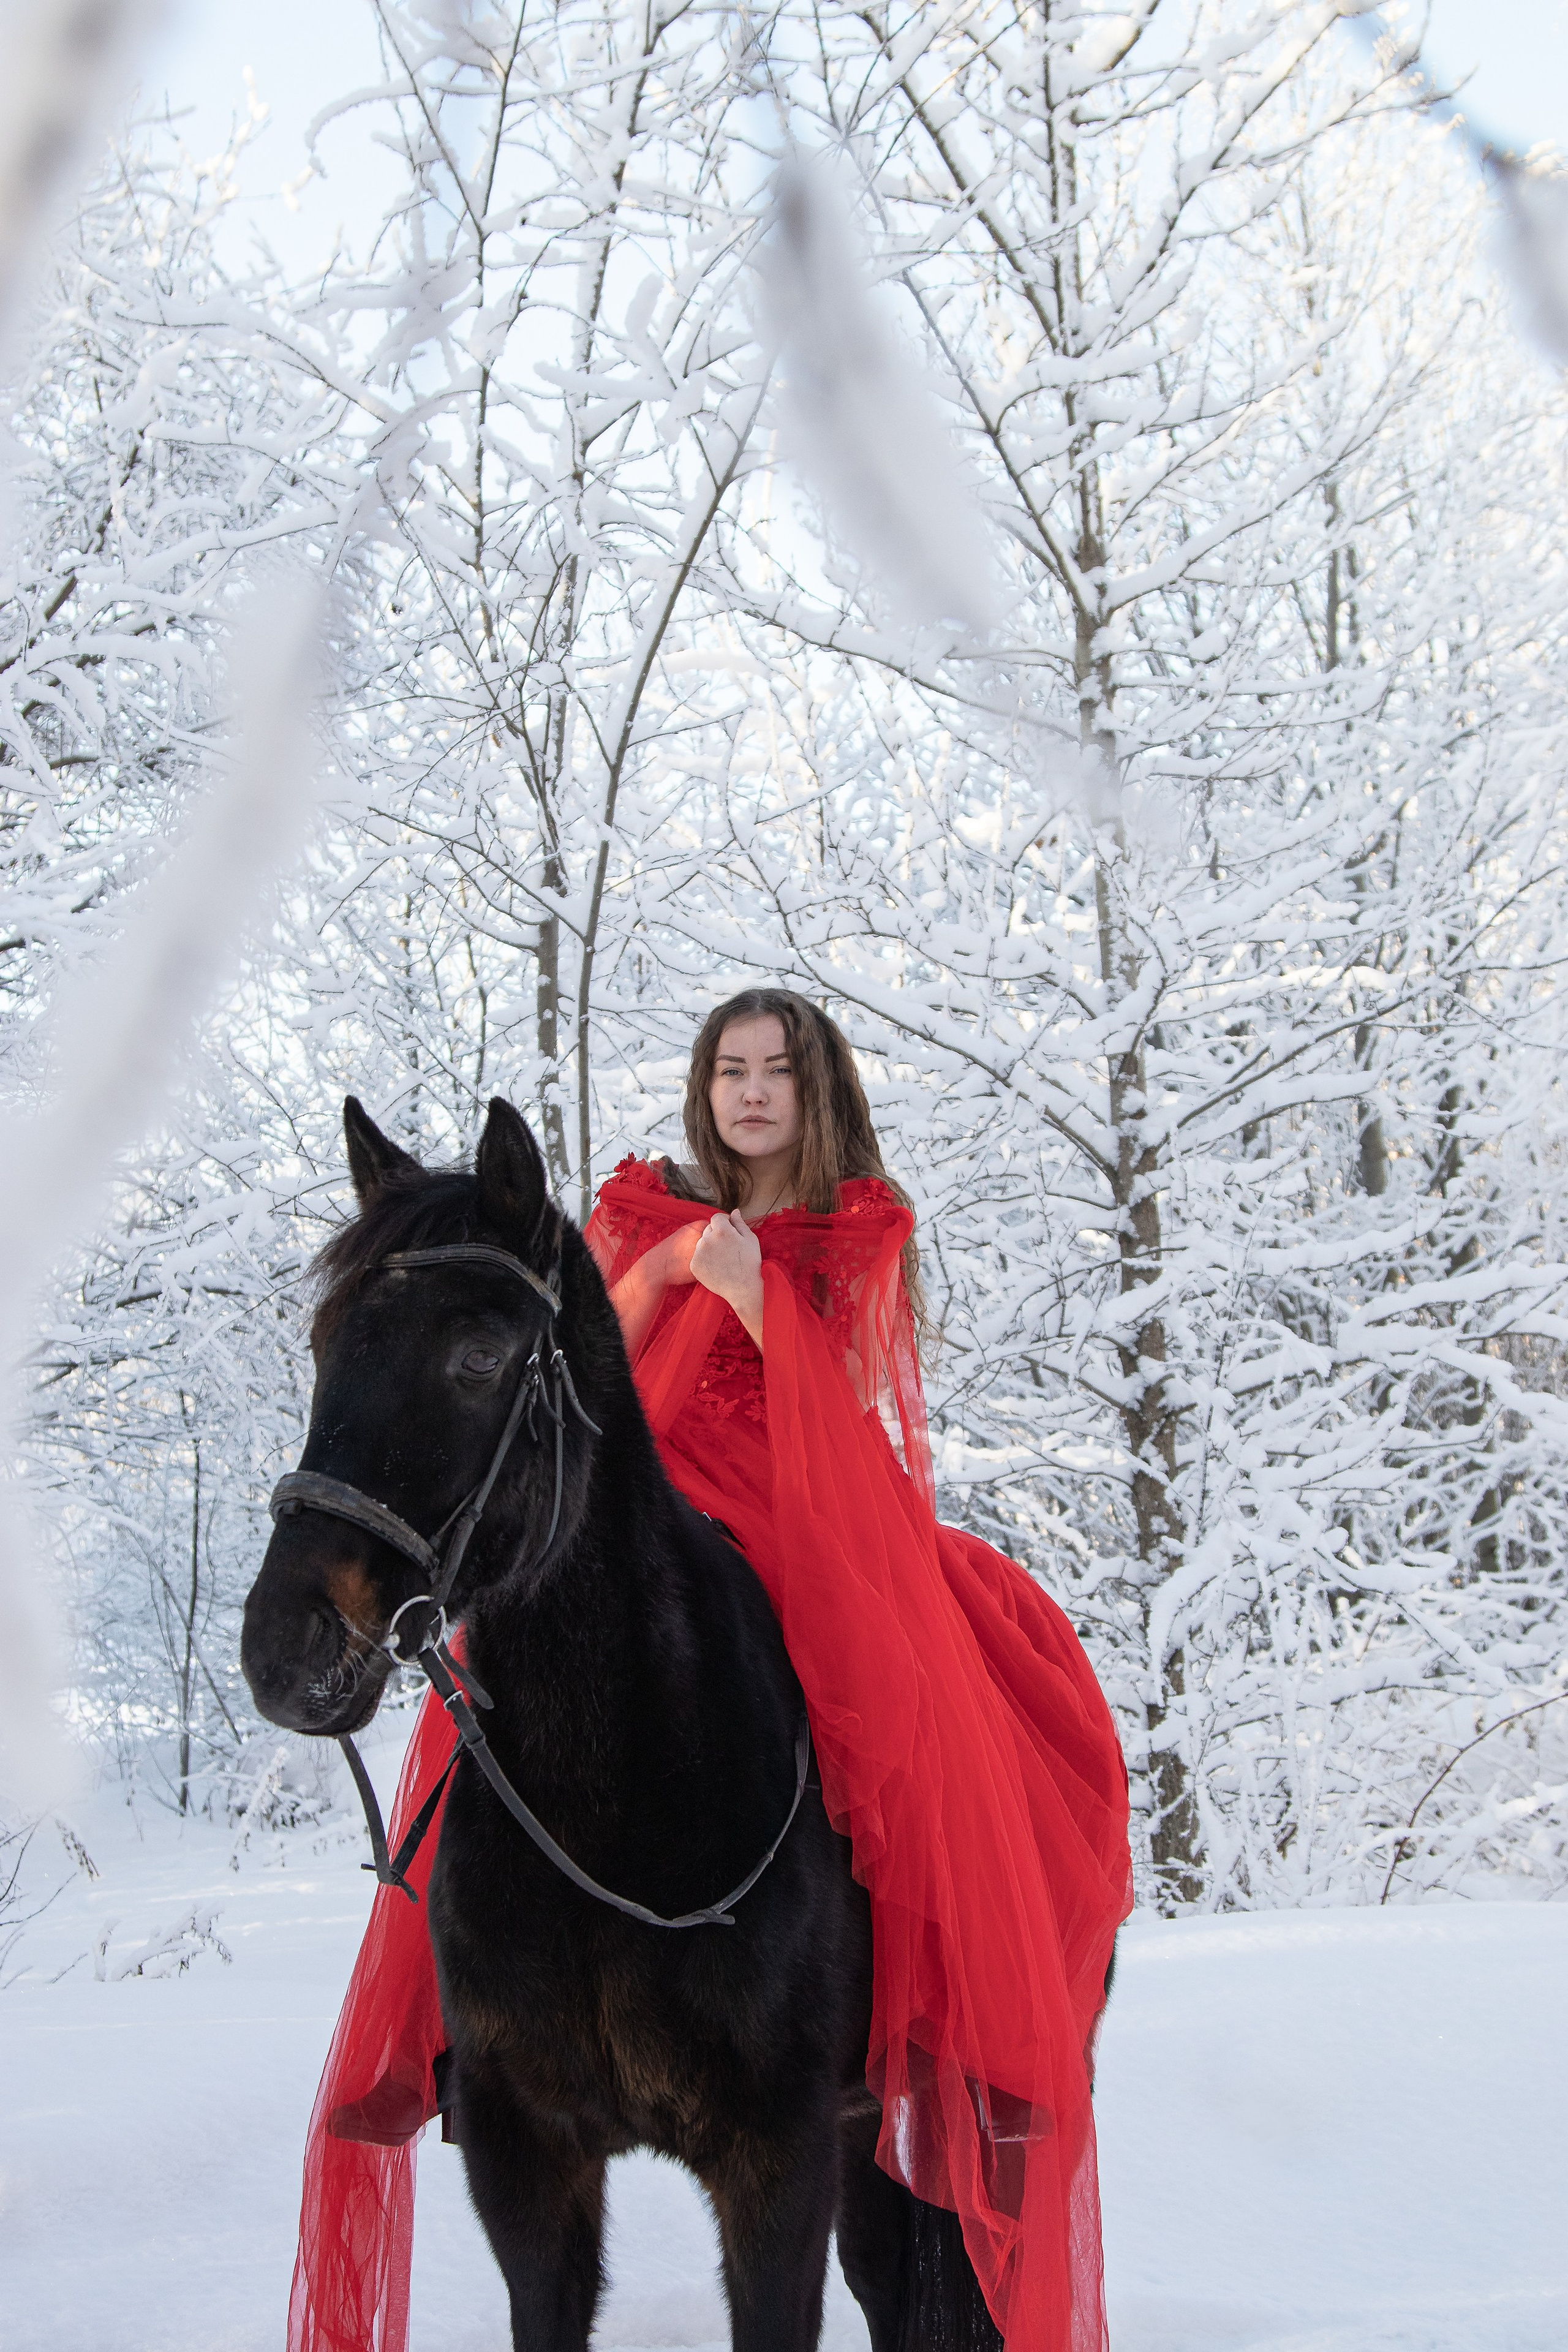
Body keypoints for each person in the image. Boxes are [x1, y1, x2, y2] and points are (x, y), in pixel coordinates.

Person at [289, 989, 1132, 2352]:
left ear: (816, 1094)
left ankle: (879, 1933)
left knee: (875, 1687)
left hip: (800, 1496)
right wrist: (668, 1272)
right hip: (646, 1476)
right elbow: (584, 1359)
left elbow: (857, 1383)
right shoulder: (646, 1209)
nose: (748, 1094)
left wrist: (758, 1299)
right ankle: (463, 1986)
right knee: (511, 1657)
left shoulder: (860, 1226)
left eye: (775, 1074)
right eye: (728, 1070)